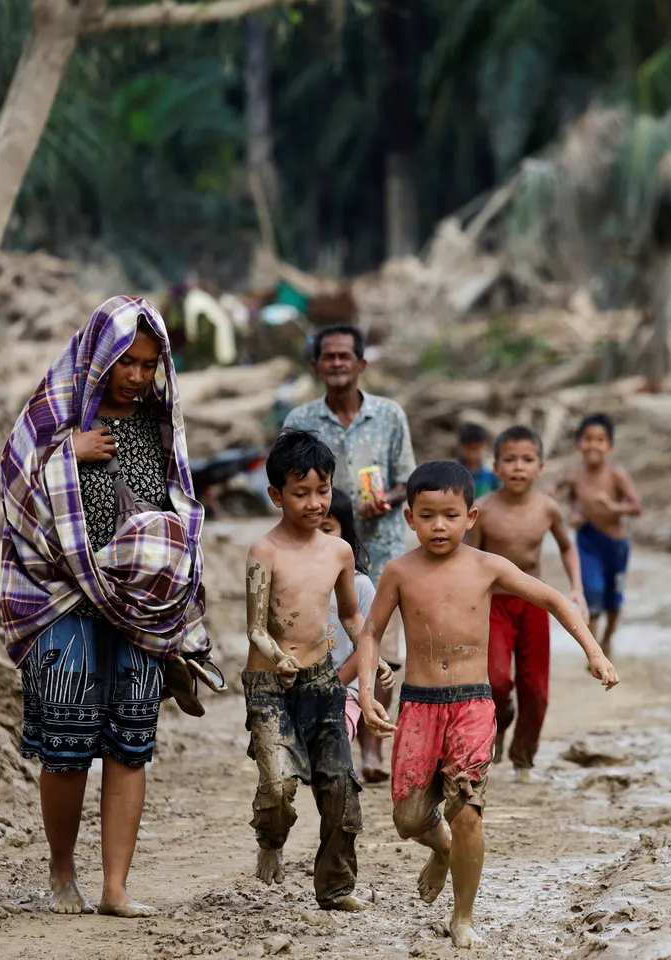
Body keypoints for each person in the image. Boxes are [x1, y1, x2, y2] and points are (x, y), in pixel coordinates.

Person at [347, 461, 619, 949]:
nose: (439, 526)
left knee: (467, 810)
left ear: (470, 517)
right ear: (409, 518)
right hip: (419, 703)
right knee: (408, 820)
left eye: (450, 515)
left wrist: (594, 651)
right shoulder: (399, 571)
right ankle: (441, 848)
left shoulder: (487, 567)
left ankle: (463, 916)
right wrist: (366, 692)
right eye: (427, 516)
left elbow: (554, 599)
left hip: (472, 704)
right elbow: (371, 632)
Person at [1, 296, 214, 918]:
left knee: (130, 740)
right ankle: (62, 872)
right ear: (100, 355)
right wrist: (67, 455)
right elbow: (14, 490)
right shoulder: (57, 415)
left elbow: (181, 498)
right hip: (64, 596)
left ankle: (115, 887)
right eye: (127, 362)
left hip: (141, 605)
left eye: (149, 365)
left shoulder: (159, 421)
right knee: (65, 741)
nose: (139, 376)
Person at [242, 429, 372, 911]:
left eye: (323, 490)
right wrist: (279, 657)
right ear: (277, 495)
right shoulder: (264, 552)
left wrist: (371, 660)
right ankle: (270, 839)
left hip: (321, 682)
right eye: (301, 493)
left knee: (339, 785)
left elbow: (353, 617)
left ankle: (336, 886)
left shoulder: (338, 552)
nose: (315, 503)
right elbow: (254, 629)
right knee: (279, 787)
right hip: (269, 685)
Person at [282, 324, 415, 777]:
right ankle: (326, 730)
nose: (337, 363)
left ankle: (372, 746)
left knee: (384, 650)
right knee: (330, 645)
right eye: (329, 356)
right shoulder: (299, 421)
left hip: (382, 552)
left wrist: (387, 500)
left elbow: (407, 478)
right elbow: (286, 483)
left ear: (361, 363)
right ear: (317, 365)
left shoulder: (390, 415)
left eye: (345, 356)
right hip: (318, 555)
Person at [468, 425, 587, 782]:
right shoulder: (483, 510)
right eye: (510, 460)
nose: (518, 467)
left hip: (534, 603)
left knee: (535, 687)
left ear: (541, 466)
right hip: (495, 606)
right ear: (497, 466)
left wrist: (576, 587)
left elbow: (567, 546)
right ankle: (501, 722)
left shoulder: (548, 509)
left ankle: (523, 757)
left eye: (527, 460)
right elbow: (468, 559)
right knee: (498, 682)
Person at [319, 487, 397, 777]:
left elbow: (365, 641)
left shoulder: (360, 585)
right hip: (297, 689)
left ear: (345, 533)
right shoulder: (289, 582)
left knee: (331, 750)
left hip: (345, 688)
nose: (319, 538)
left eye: (327, 529)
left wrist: (334, 685)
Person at [556, 413, 641, 657]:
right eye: (587, 439)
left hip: (615, 545)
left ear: (610, 446)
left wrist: (614, 508)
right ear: (578, 444)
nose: (593, 444)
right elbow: (570, 498)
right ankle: (594, 651)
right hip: (587, 541)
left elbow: (636, 507)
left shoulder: (616, 474)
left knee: (614, 599)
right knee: (592, 592)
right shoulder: (574, 474)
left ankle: (607, 637)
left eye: (600, 439)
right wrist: (573, 515)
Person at [456, 422, 501, 499]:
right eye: (469, 449)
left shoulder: (491, 475)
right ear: (460, 448)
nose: (473, 454)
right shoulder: (453, 473)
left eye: (477, 449)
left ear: (485, 448)